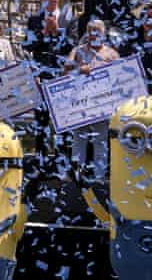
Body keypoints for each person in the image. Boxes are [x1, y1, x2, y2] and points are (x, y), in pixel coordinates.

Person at [23, 0, 76, 168]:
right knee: (42, 122)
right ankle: (42, 161)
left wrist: (57, 32)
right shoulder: (34, 20)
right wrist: (44, 32)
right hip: (42, 78)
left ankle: (64, 162)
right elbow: (28, 45)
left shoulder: (69, 18)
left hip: (64, 78)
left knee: (64, 121)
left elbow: (74, 47)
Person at [66, 19, 119, 182]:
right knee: (79, 139)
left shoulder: (111, 53)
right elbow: (65, 69)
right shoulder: (78, 51)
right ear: (87, 34)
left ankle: (99, 177)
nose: (94, 33)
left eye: (97, 30)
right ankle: (77, 175)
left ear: (103, 34)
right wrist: (78, 69)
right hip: (81, 103)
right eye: (91, 30)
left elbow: (121, 76)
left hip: (102, 104)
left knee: (100, 140)